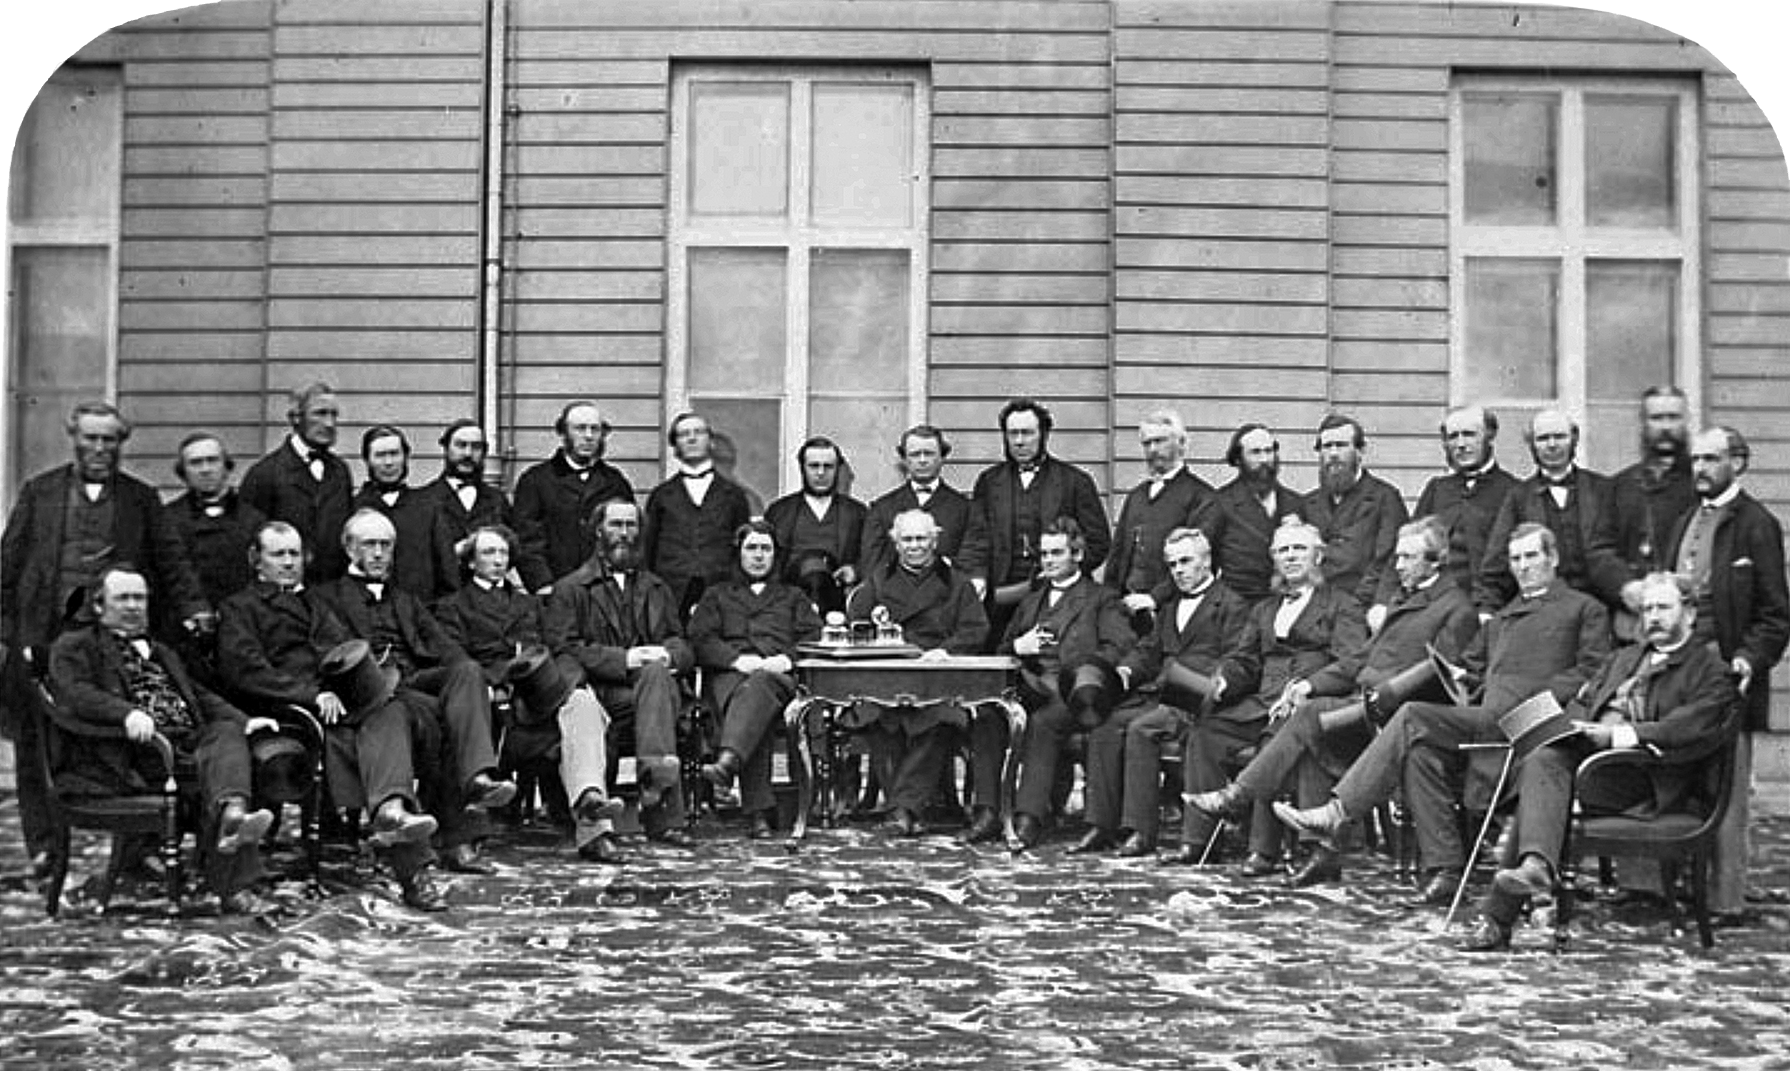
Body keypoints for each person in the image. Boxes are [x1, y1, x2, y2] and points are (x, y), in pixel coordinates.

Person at [1276, 524, 1611, 905]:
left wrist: (1533, 701)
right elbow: (1471, 668)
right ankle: (1445, 872)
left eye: (1531, 556)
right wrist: (1457, 679)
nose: (1523, 566)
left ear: (1552, 559)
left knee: (1413, 715)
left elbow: (1591, 673)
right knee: (1421, 753)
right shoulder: (1501, 619)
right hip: (1485, 721)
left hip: (1533, 726)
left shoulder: (1584, 608)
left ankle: (1340, 811)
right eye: (1515, 558)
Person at [1187, 517, 1480, 886]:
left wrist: (1380, 694)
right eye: (1398, 557)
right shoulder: (1404, 601)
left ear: (1435, 561)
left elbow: (1440, 678)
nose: (1398, 566)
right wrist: (1311, 684)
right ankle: (1320, 853)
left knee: (1313, 718)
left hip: (1395, 717)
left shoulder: (1456, 609)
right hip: (1365, 707)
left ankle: (1239, 798)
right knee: (1314, 731)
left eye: (1407, 558)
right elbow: (1359, 660)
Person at [1462, 572, 1739, 951]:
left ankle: (1503, 912)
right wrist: (1559, 724)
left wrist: (1617, 736)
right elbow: (1585, 701)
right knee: (1542, 758)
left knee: (1541, 784)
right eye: (1647, 609)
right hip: (1594, 767)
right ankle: (1534, 871)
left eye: (1664, 608)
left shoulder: (1710, 671)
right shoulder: (1624, 658)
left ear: (1689, 613)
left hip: (1649, 778)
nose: (1653, 617)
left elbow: (1686, 729)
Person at [2, 401, 208, 876]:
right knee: (38, 746)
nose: (99, 448)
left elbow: (171, 561)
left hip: (110, 643)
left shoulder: (140, 498)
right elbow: (8, 568)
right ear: (74, 438)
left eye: (109, 440)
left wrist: (196, 607)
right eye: (91, 438)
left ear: (121, 444)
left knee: (128, 736)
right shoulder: (41, 492)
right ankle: (45, 848)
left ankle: (135, 851)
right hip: (46, 637)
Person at [216, 521, 448, 910]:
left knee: (391, 711)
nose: (289, 563)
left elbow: (341, 651)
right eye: (279, 554)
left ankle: (392, 810)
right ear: (257, 562)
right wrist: (312, 694)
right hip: (286, 711)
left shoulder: (315, 604)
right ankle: (413, 867)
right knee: (363, 735)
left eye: (294, 554)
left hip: (337, 704)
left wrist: (361, 684)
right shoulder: (240, 609)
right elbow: (245, 672)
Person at [50, 566, 278, 915]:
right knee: (223, 770)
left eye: (139, 598)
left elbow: (198, 696)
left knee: (231, 738)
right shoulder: (76, 646)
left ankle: (233, 813)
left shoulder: (162, 650)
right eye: (122, 598)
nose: (132, 606)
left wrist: (245, 721)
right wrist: (125, 713)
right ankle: (235, 886)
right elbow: (74, 692)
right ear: (99, 606)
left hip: (183, 747)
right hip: (132, 754)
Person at [311, 509, 517, 874]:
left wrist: (479, 687)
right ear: (348, 548)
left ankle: (478, 778)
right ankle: (454, 838)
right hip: (370, 690)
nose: (378, 554)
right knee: (436, 718)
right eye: (369, 545)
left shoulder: (406, 600)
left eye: (385, 546)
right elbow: (327, 655)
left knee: (467, 672)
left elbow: (445, 649)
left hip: (412, 680)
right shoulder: (326, 598)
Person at [432, 524, 626, 864]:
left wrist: (568, 680)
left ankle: (592, 814)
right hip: (490, 707)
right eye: (488, 553)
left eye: (503, 553)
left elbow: (556, 648)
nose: (497, 560)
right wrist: (498, 680)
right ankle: (468, 829)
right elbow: (457, 660)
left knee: (582, 702)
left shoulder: (530, 604)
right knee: (468, 714)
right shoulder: (452, 607)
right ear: (470, 562)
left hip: (537, 700)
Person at [1188, 518, 1368, 883]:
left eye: (1299, 548)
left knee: (1276, 734)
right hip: (1261, 700)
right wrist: (1225, 680)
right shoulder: (1264, 610)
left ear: (1319, 555)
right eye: (1283, 550)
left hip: (1307, 704)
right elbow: (1245, 659)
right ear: (1273, 559)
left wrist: (1310, 686)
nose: (1291, 557)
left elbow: (1352, 662)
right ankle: (1199, 837)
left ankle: (1262, 849)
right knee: (1206, 730)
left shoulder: (1342, 604)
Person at [1666, 426, 1789, 916]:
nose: (1700, 469)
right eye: (1695, 460)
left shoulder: (1756, 523)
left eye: (1712, 460)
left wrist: (1748, 659)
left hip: (1727, 672)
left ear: (1738, 463)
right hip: (1680, 669)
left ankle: (1724, 901)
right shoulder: (1685, 520)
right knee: (1673, 779)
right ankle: (1662, 891)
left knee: (1727, 789)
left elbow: (1777, 615)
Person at [1077, 527, 1252, 862]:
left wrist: (1210, 684)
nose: (1179, 571)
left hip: (1196, 697)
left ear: (1207, 561)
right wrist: (1126, 672)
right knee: (1106, 723)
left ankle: (1140, 832)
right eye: (1172, 564)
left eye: (1186, 561)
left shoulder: (1231, 604)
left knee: (1143, 729)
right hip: (1159, 692)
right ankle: (1102, 824)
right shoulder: (1171, 607)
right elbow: (1148, 651)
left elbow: (1236, 658)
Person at [545, 497, 697, 849]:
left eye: (631, 526)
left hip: (651, 691)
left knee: (658, 674)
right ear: (599, 531)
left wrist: (668, 654)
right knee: (650, 680)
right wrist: (624, 658)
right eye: (616, 525)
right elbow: (563, 648)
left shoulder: (656, 588)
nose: (624, 534)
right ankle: (656, 788)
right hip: (601, 691)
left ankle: (654, 778)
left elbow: (683, 644)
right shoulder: (571, 589)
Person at [991, 516, 1134, 850]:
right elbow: (1001, 650)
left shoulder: (1102, 598)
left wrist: (1084, 673)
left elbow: (1118, 648)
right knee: (990, 716)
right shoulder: (1031, 600)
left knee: (1043, 721)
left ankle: (1028, 817)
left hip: (1076, 691)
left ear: (1078, 556)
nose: (1048, 561)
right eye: (1043, 554)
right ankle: (989, 811)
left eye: (1057, 553)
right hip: (1029, 685)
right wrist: (1018, 646)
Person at [845, 510, 988, 837]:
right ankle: (908, 808)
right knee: (877, 717)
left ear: (935, 541)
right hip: (887, 679)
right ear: (895, 543)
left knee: (940, 720)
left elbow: (976, 630)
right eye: (907, 539)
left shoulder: (957, 583)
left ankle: (902, 809)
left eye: (921, 539)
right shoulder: (878, 582)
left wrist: (946, 651)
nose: (915, 546)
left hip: (940, 680)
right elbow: (858, 627)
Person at [693, 520, 823, 839]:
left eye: (766, 548)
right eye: (751, 548)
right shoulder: (717, 595)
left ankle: (732, 768)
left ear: (775, 555)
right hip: (730, 677)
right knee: (753, 706)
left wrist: (787, 658)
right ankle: (758, 812)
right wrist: (736, 660)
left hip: (780, 679)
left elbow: (815, 636)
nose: (759, 556)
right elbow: (700, 639)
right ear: (738, 553)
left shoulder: (793, 596)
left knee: (761, 685)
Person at [966, 398, 1111, 647]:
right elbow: (976, 538)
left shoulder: (1075, 481)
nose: (1019, 441)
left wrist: (1065, 572)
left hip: (1057, 597)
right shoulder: (989, 482)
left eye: (1027, 433)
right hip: (1000, 597)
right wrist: (977, 576)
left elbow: (1098, 542)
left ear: (1044, 435)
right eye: (1012, 433)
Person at [1474, 409, 1625, 616]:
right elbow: (1496, 564)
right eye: (1543, 438)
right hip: (1542, 612)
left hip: (1600, 609)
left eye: (1559, 437)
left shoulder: (1603, 489)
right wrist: (1487, 610)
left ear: (1574, 439)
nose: (1552, 445)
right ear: (1532, 445)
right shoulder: (1518, 497)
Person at [1393, 405, 1518, 603]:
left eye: (1469, 435)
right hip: (1434, 603)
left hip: (1491, 606)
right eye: (1453, 437)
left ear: (1489, 436)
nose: (1460, 444)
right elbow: (1410, 549)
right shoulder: (1436, 489)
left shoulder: (1513, 491)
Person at [512, 400, 635, 594]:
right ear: (563, 433)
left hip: (605, 592)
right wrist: (542, 584)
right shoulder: (536, 480)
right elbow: (527, 540)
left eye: (595, 430)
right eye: (580, 428)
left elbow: (627, 537)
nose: (588, 436)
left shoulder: (615, 482)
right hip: (555, 589)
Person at [1104, 410, 1213, 628]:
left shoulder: (1201, 496)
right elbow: (1117, 557)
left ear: (1181, 443)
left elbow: (1197, 563)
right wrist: (1108, 601)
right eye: (1147, 443)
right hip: (1126, 611)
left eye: (1160, 441)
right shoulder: (1136, 496)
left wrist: (1154, 598)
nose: (1153, 450)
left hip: (1171, 611)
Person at [641, 411, 753, 620]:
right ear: (674, 447)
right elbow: (648, 549)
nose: (692, 438)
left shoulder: (734, 495)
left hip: (720, 591)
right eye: (684, 434)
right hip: (672, 592)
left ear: (710, 442)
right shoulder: (661, 496)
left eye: (698, 432)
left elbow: (743, 549)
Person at [239, 382, 354, 583]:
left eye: (333, 415)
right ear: (295, 418)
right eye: (320, 414)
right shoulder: (264, 474)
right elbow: (249, 547)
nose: (329, 423)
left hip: (332, 596)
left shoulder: (340, 472)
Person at [1301, 413, 1409, 615]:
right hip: (1316, 607)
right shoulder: (1308, 503)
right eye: (1327, 446)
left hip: (1363, 605)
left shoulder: (1385, 498)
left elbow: (1389, 560)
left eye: (1341, 445)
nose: (1333, 453)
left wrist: (1378, 604)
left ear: (1360, 450)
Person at [1194, 423, 1306, 605]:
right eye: (1255, 453)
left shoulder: (1295, 503)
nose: (1264, 459)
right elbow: (1201, 559)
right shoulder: (1220, 503)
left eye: (1269, 451)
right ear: (1238, 459)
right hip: (1239, 608)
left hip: (1285, 605)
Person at [352, 424, 460, 601]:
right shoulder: (353, 509)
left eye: (394, 454)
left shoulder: (428, 508)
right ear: (367, 460)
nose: (388, 463)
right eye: (380, 456)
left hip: (421, 616)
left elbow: (448, 575)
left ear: (406, 457)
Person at [861, 424, 986, 578]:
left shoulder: (966, 509)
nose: (922, 460)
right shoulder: (881, 509)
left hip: (947, 596)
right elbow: (871, 565)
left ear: (942, 457)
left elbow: (972, 563)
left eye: (929, 454)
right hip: (894, 597)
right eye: (915, 454)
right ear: (904, 459)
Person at [763, 436, 869, 616]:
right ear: (802, 468)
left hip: (838, 601)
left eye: (828, 467)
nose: (821, 473)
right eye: (814, 466)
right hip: (786, 603)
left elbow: (871, 555)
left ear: (837, 470)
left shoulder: (857, 512)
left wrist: (855, 571)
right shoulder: (779, 511)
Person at [167, 431, 267, 612]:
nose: (205, 469)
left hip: (243, 620)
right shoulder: (168, 520)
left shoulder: (253, 519)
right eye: (196, 463)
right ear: (183, 472)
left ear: (226, 466)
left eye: (212, 460)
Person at [420, 419, 512, 559]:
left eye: (476, 447)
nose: (468, 453)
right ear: (446, 448)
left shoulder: (497, 500)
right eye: (461, 445)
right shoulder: (425, 499)